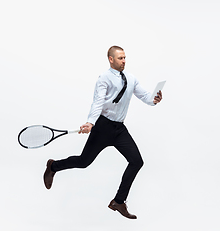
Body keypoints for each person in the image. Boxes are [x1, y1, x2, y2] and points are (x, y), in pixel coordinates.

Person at [43, 46, 162, 219]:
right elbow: (97, 102)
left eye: (125, 58)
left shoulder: (131, 78)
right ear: (110, 59)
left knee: (136, 161)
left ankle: (119, 201)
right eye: (120, 58)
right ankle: (53, 166)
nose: (124, 61)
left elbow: (144, 96)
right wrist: (90, 122)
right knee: (84, 162)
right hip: (103, 127)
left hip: (119, 129)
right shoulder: (104, 78)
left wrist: (154, 100)